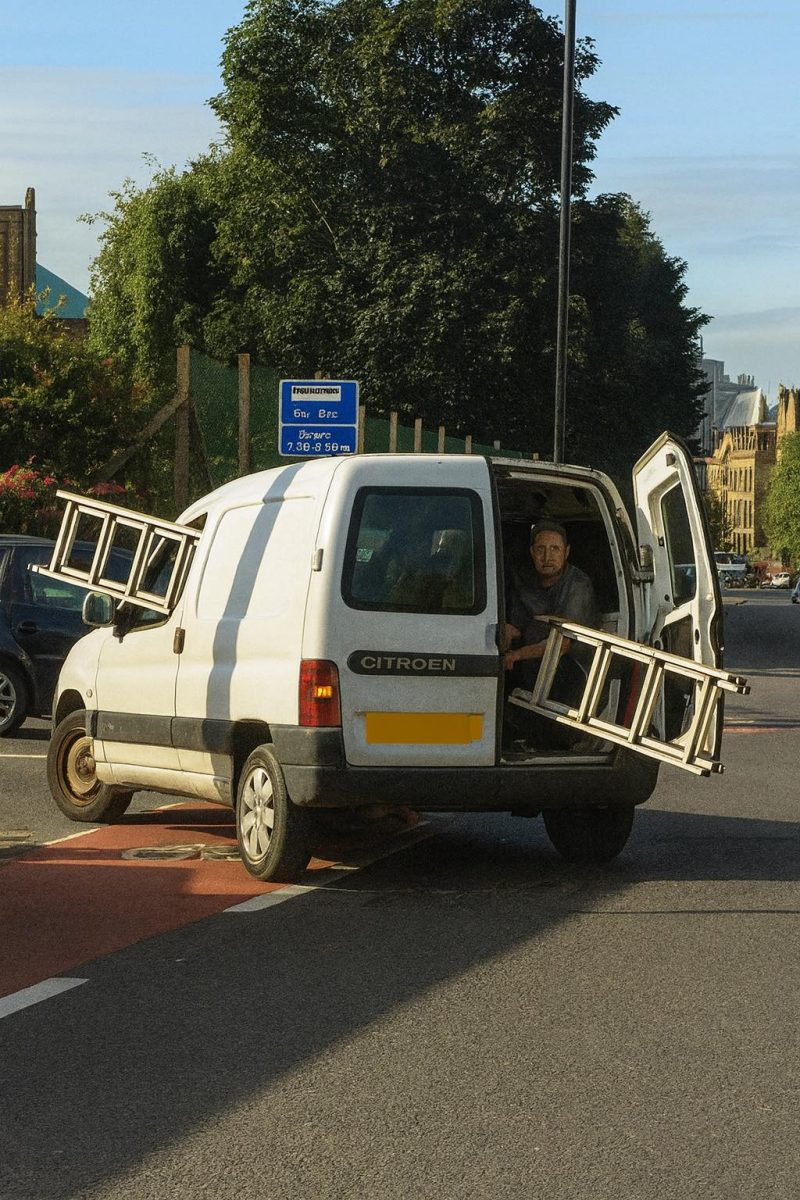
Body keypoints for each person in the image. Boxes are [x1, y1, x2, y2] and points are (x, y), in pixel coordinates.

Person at [503, 518, 598, 750]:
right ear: (532, 553)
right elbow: (515, 627)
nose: (548, 557)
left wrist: (515, 656)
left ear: (566, 552)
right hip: (531, 665)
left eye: (555, 549)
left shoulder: (578, 585)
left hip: (572, 670)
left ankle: (552, 739)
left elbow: (563, 644)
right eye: (541, 550)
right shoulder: (526, 582)